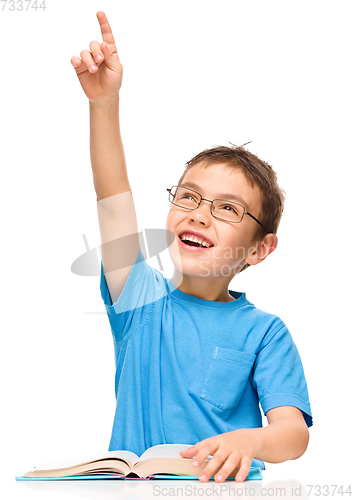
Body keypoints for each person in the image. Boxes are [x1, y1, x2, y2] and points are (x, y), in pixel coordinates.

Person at [70, 11, 313, 484]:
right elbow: (113, 199)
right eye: (188, 197)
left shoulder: (265, 333)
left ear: (260, 250)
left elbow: (293, 433)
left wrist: (250, 441)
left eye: (227, 209)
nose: (199, 213)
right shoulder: (139, 299)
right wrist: (104, 103)